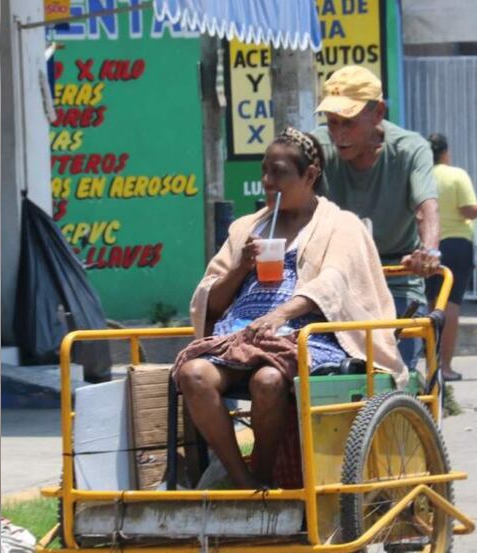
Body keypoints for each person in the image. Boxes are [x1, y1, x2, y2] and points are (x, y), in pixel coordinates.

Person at [173, 128, 405, 490]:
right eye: (264, 171)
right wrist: (240, 268)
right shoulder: (246, 228)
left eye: (278, 172)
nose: (267, 181)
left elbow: (334, 281)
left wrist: (281, 315)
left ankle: (263, 473)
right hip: (241, 333)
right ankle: (242, 480)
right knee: (193, 375)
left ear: (310, 176)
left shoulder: (340, 225)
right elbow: (209, 299)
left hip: (307, 336)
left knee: (267, 381)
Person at [312, 65, 441, 370]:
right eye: (332, 123)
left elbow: (426, 207)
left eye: (348, 123)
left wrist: (430, 251)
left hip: (396, 273)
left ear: (378, 113)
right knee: (320, 370)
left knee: (393, 368)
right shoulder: (316, 147)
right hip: (336, 276)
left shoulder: (409, 149)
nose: (339, 134)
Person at [424, 133, 477, 382]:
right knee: (451, 305)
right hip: (456, 245)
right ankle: (445, 366)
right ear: (446, 152)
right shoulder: (456, 175)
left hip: (427, 245)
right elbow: (469, 209)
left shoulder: (421, 175)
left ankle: (430, 367)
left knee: (431, 305)